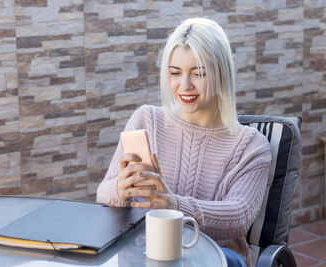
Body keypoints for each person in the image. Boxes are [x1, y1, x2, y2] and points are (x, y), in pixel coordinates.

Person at [96, 17, 271, 267]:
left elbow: (239, 217)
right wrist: (120, 190)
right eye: (175, 73)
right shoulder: (146, 119)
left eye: (198, 73)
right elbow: (102, 194)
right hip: (142, 252)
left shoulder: (251, 146)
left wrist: (175, 205)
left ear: (222, 73)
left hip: (212, 257)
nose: (185, 86)